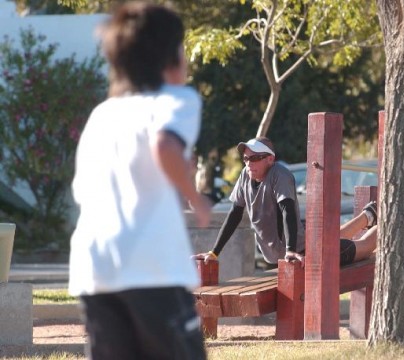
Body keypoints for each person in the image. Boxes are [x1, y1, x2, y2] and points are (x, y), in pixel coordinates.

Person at [68, 3, 210, 359]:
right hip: (152, 266)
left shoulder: (103, 114)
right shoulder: (177, 99)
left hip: (94, 267)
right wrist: (196, 196)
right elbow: (164, 145)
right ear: (170, 57)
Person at [193, 136, 378, 268]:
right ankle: (368, 216)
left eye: (255, 158)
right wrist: (214, 252)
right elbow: (234, 214)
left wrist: (290, 250)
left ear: (270, 159)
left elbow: (286, 209)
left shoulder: (279, 174)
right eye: (246, 159)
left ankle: (387, 220)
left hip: (305, 253)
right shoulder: (244, 176)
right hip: (289, 252)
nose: (249, 163)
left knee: (366, 247)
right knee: (333, 239)